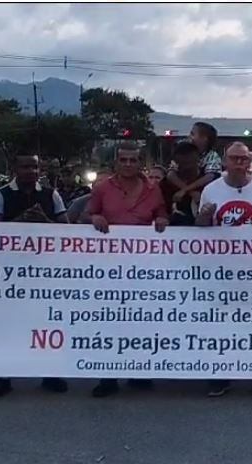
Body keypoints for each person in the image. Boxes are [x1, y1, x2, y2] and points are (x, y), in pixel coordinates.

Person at [197, 142, 252, 397]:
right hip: (222, 272)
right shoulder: (211, 190)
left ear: (250, 162)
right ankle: (220, 375)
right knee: (220, 324)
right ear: (225, 161)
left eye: (243, 159)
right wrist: (204, 216)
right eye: (234, 159)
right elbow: (199, 228)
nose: (239, 164)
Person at [0, 154, 69, 399]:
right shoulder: (0, 195)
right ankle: (2, 377)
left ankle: (50, 373)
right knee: (7, 325)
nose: (30, 171)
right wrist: (21, 222)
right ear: (15, 169)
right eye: (25, 166)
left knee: (47, 324)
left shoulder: (51, 194)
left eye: (34, 166)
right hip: (10, 273)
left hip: (46, 272)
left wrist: (43, 222)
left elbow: (67, 231)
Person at [87, 143, 169, 398]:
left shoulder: (154, 190)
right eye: (124, 160)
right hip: (109, 267)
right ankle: (107, 375)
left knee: (141, 320)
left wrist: (162, 220)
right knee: (110, 321)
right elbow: (87, 215)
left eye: (133, 160)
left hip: (143, 268)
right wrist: (95, 218)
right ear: (116, 162)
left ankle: (139, 370)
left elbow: (162, 214)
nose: (128, 165)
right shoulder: (101, 189)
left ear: (140, 163)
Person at [164, 122, 222, 208]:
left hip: (203, 199)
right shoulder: (182, 150)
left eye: (192, 134)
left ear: (204, 138)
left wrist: (185, 190)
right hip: (179, 197)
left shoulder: (213, 156)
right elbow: (170, 174)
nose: (189, 136)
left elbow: (210, 176)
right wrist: (189, 191)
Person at [161, 141, 204, 226]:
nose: (186, 168)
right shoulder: (166, 184)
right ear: (176, 163)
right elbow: (160, 211)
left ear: (198, 160)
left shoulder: (207, 184)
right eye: (182, 164)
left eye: (190, 164)